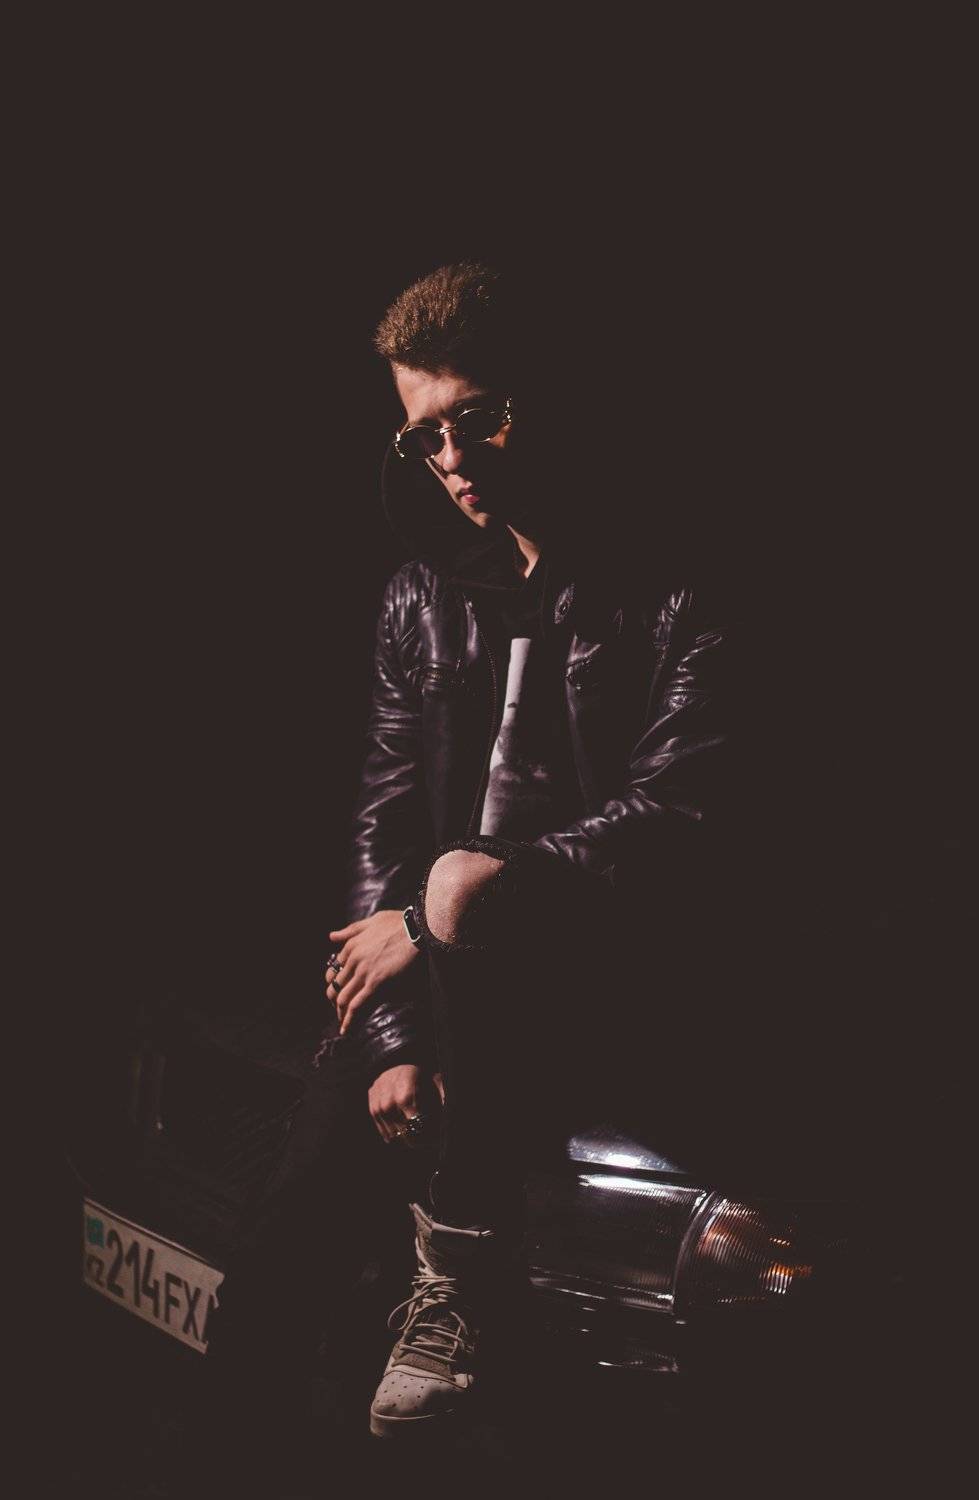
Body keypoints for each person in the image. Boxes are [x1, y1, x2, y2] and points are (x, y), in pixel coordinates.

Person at [207, 261, 729, 1448]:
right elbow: (382, 817)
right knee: (272, 1278)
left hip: (596, 977)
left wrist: (443, 913)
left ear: (553, 399)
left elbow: (676, 818)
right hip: (436, 991)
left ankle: (461, 1272)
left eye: (478, 416)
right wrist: (393, 1039)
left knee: (455, 881)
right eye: (422, 434)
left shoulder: (682, 593)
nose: (450, 458)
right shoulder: (420, 597)